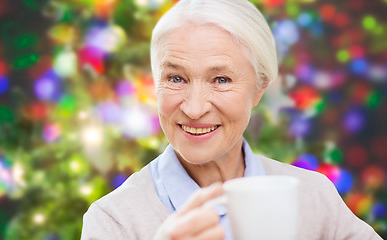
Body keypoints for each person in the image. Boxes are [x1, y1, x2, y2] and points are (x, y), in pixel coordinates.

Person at [81, 0, 382, 239]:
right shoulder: (113, 221)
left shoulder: (313, 197)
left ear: (259, 89)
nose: (195, 109)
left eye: (221, 79)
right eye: (175, 78)